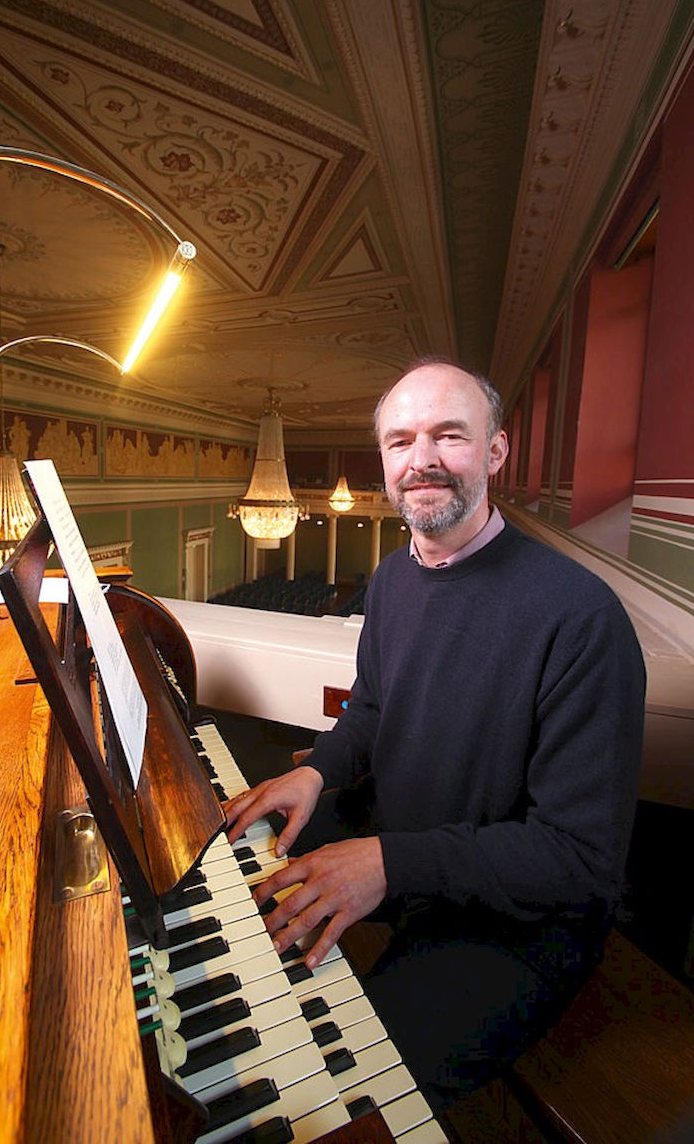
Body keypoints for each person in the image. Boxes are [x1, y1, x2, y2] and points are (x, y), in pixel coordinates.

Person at [224, 357, 646, 1108]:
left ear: (494, 452)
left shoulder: (582, 618)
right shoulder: (391, 580)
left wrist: (388, 861)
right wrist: (317, 770)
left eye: (448, 435)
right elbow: (374, 708)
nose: (421, 458)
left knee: (341, 1089)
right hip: (409, 842)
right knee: (230, 878)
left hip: (520, 918)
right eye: (400, 440)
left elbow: (579, 860)